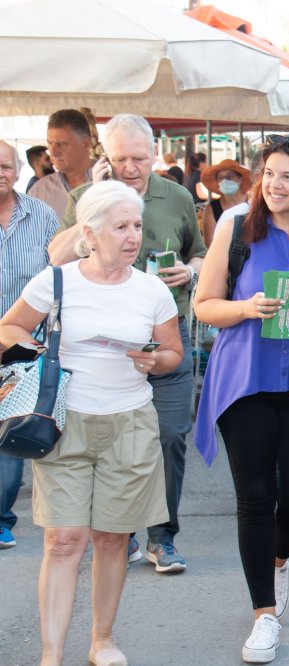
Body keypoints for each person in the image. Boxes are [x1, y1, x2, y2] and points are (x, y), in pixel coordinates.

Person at [0, 180, 183, 666]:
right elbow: (9, 329)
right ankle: (51, 653)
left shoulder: (152, 289)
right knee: (63, 540)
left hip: (129, 424)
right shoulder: (56, 281)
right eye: (121, 226)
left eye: (138, 226)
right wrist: (40, 351)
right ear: (91, 232)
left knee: (110, 538)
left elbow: (173, 354)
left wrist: (155, 361)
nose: (132, 236)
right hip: (64, 422)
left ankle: (102, 639)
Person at [192, 134, 289, 663]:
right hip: (246, 378)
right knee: (255, 497)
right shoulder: (237, 228)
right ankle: (263, 616)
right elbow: (204, 305)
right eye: (269, 174)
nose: (274, 185)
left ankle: (277, 559)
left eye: (287, 176)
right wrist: (246, 308)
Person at [48, 113, 206, 574]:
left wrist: (191, 271)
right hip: (104, 352)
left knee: (170, 436)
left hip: (165, 339)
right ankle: (122, 535)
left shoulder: (176, 196)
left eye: (139, 158)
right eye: (120, 159)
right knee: (116, 444)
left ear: (155, 155)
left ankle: (164, 537)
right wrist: (95, 203)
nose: (130, 167)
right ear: (105, 157)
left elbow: (200, 249)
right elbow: (54, 257)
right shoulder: (84, 196)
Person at [0, 140, 60, 550]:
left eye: (4, 165)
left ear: (18, 169)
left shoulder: (41, 216)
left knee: (10, 433)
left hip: (22, 345)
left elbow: (60, 273)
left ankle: (2, 518)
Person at [30, 109, 94, 218]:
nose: (53, 152)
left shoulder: (113, 182)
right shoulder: (39, 192)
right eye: (50, 143)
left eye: (62, 144)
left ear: (85, 144)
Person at [199, 158, 251, 248]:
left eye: (229, 177)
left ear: (240, 179)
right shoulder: (212, 209)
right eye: (220, 178)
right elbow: (210, 245)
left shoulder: (252, 202)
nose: (225, 181)